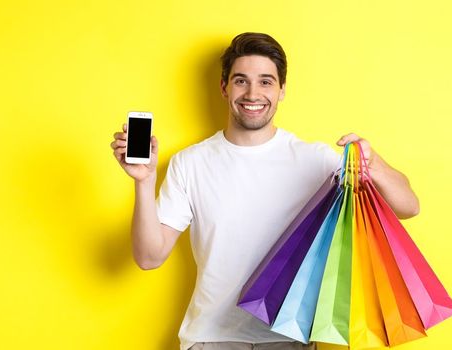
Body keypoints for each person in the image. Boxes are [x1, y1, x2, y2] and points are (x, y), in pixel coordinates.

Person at [110, 32, 420, 350]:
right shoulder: (191, 162)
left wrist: (373, 162)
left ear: (282, 89)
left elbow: (408, 206)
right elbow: (149, 257)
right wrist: (144, 181)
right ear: (224, 87)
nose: (253, 93)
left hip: (289, 338)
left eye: (266, 82)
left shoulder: (316, 161)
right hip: (212, 338)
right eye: (241, 81)